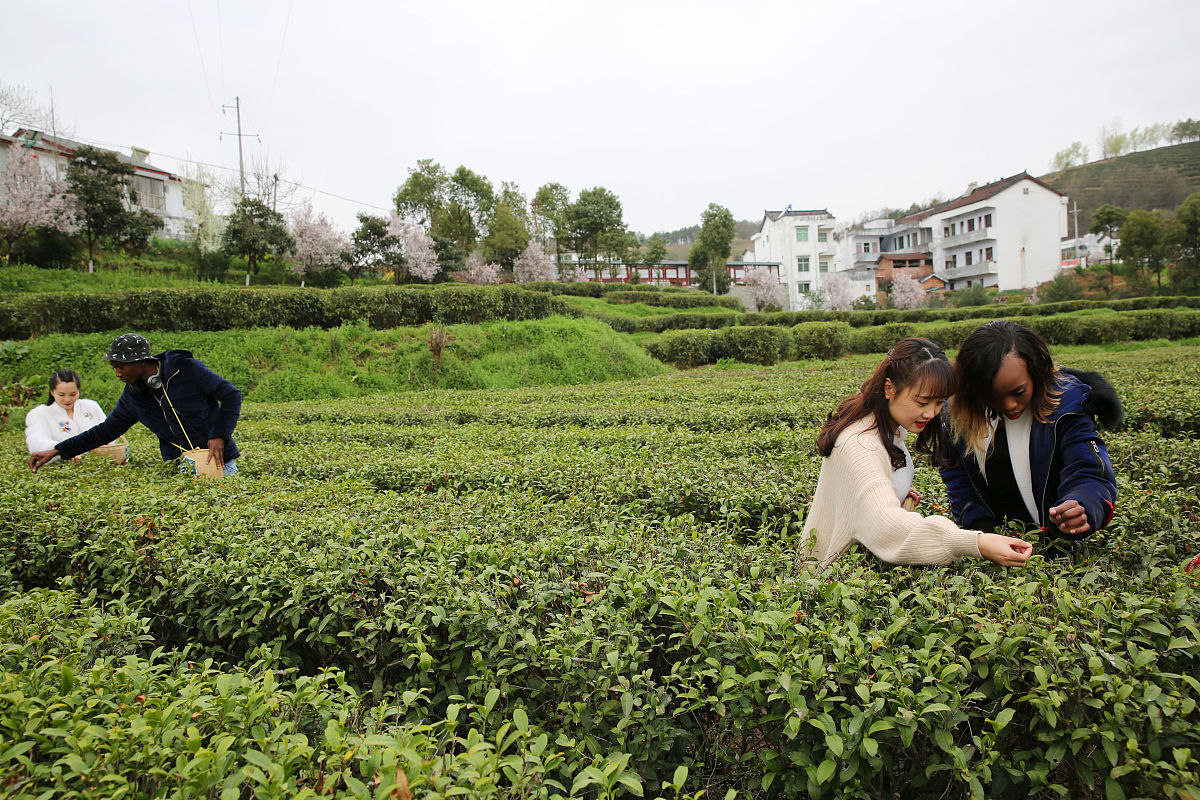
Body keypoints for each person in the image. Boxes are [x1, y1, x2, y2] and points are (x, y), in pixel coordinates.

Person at [802, 337, 1033, 568]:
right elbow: (885, 525)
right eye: (922, 402)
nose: (931, 413)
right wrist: (977, 543)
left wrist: (893, 493)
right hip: (837, 582)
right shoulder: (861, 444)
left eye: (939, 402)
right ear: (890, 388)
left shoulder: (884, 427)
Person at [939, 320, 1119, 552]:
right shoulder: (956, 412)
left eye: (1018, 392)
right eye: (992, 396)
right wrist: (978, 530)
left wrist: (1083, 505)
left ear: (1036, 371)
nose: (1009, 405)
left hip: (1055, 548)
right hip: (992, 548)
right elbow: (957, 476)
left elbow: (1090, 471)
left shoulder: (1067, 405)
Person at [27, 333, 243, 475]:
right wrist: (56, 451)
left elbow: (232, 395)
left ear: (140, 362)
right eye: (114, 367)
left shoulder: (184, 368)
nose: (117, 374)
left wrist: (219, 435)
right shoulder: (133, 397)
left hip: (219, 462)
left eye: (121, 367)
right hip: (179, 466)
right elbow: (104, 431)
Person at [25, 369, 108, 463]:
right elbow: (37, 442)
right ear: (52, 392)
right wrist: (65, 452)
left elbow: (108, 434)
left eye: (73, 394)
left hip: (96, 464)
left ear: (79, 391)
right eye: (61, 395)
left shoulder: (91, 407)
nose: (67, 399)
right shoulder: (40, 414)